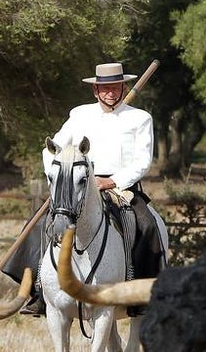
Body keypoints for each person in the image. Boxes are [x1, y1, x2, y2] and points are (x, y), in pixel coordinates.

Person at [11, 61, 165, 314]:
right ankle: (39, 292)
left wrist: (112, 181)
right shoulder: (79, 115)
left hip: (120, 187)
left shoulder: (140, 118)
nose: (110, 92)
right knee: (38, 225)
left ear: (124, 87)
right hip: (77, 183)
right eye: (105, 88)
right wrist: (60, 177)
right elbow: (52, 149)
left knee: (147, 226)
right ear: (95, 90)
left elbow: (143, 161)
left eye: (116, 86)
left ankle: (143, 299)